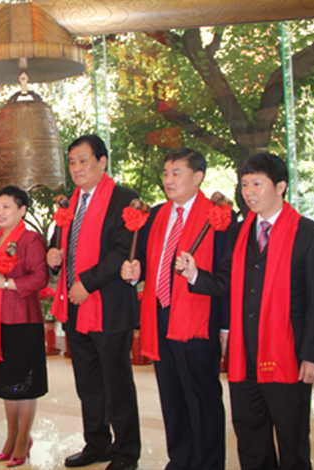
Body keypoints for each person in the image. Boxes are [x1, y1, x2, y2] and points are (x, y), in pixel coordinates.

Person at [176, 153, 314, 470]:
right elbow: (227, 283)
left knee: (292, 443)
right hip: (244, 357)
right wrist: (195, 275)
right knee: (250, 440)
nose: (249, 192)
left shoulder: (310, 235)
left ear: (281, 187)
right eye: (245, 184)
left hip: (288, 357)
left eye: (257, 184)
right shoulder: (239, 233)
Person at [121, 148, 227, 470]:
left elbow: (227, 278)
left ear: (198, 177)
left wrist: (225, 326)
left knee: (202, 400)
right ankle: (180, 461)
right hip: (160, 316)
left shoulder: (217, 216)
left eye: (176, 173)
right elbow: (149, 260)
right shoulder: (157, 215)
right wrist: (136, 271)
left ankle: (208, 465)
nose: (169, 180)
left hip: (198, 319)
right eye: (166, 173)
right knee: (172, 397)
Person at [46, 135, 140, 470]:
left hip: (109, 306)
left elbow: (123, 251)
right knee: (88, 383)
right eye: (72, 162)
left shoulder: (124, 199)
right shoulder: (69, 203)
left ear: (102, 162)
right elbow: (58, 243)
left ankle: (126, 452)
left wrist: (87, 283)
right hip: (75, 306)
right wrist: (52, 256)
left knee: (117, 384)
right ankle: (97, 443)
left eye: (83, 160)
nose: (77, 168)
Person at [0, 185, 48, 468]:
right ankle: (12, 436)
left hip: (22, 321)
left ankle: (23, 438)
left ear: (22, 210)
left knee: (24, 386)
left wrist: (6, 284)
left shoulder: (30, 239)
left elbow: (39, 278)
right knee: (7, 386)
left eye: (6, 206)